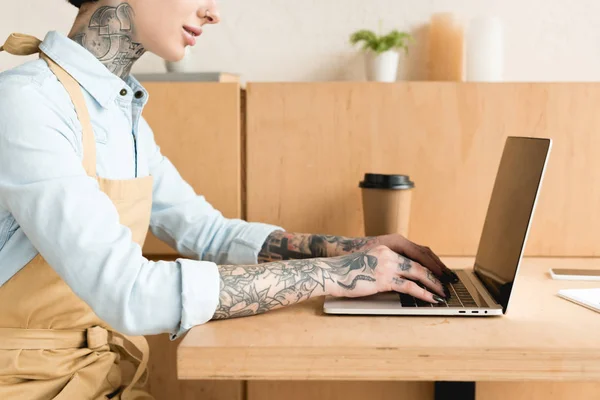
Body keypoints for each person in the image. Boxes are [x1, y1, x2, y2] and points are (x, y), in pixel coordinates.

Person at [0, 0, 457, 398]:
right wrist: (335, 275)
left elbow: (207, 232)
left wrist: (349, 250)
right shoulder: (28, 103)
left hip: (97, 378)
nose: (214, 12)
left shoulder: (123, 114)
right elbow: (128, 293)